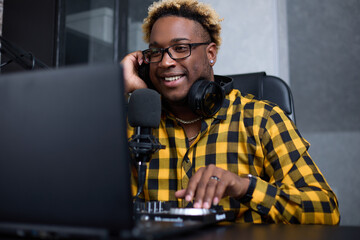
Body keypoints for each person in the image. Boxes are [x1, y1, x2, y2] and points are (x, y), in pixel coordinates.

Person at [121, 0, 340, 224]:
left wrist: (244, 186)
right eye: (156, 52)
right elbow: (91, 201)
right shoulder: (135, 125)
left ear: (211, 54)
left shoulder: (262, 119)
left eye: (180, 48)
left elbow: (326, 210)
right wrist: (119, 88)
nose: (165, 62)